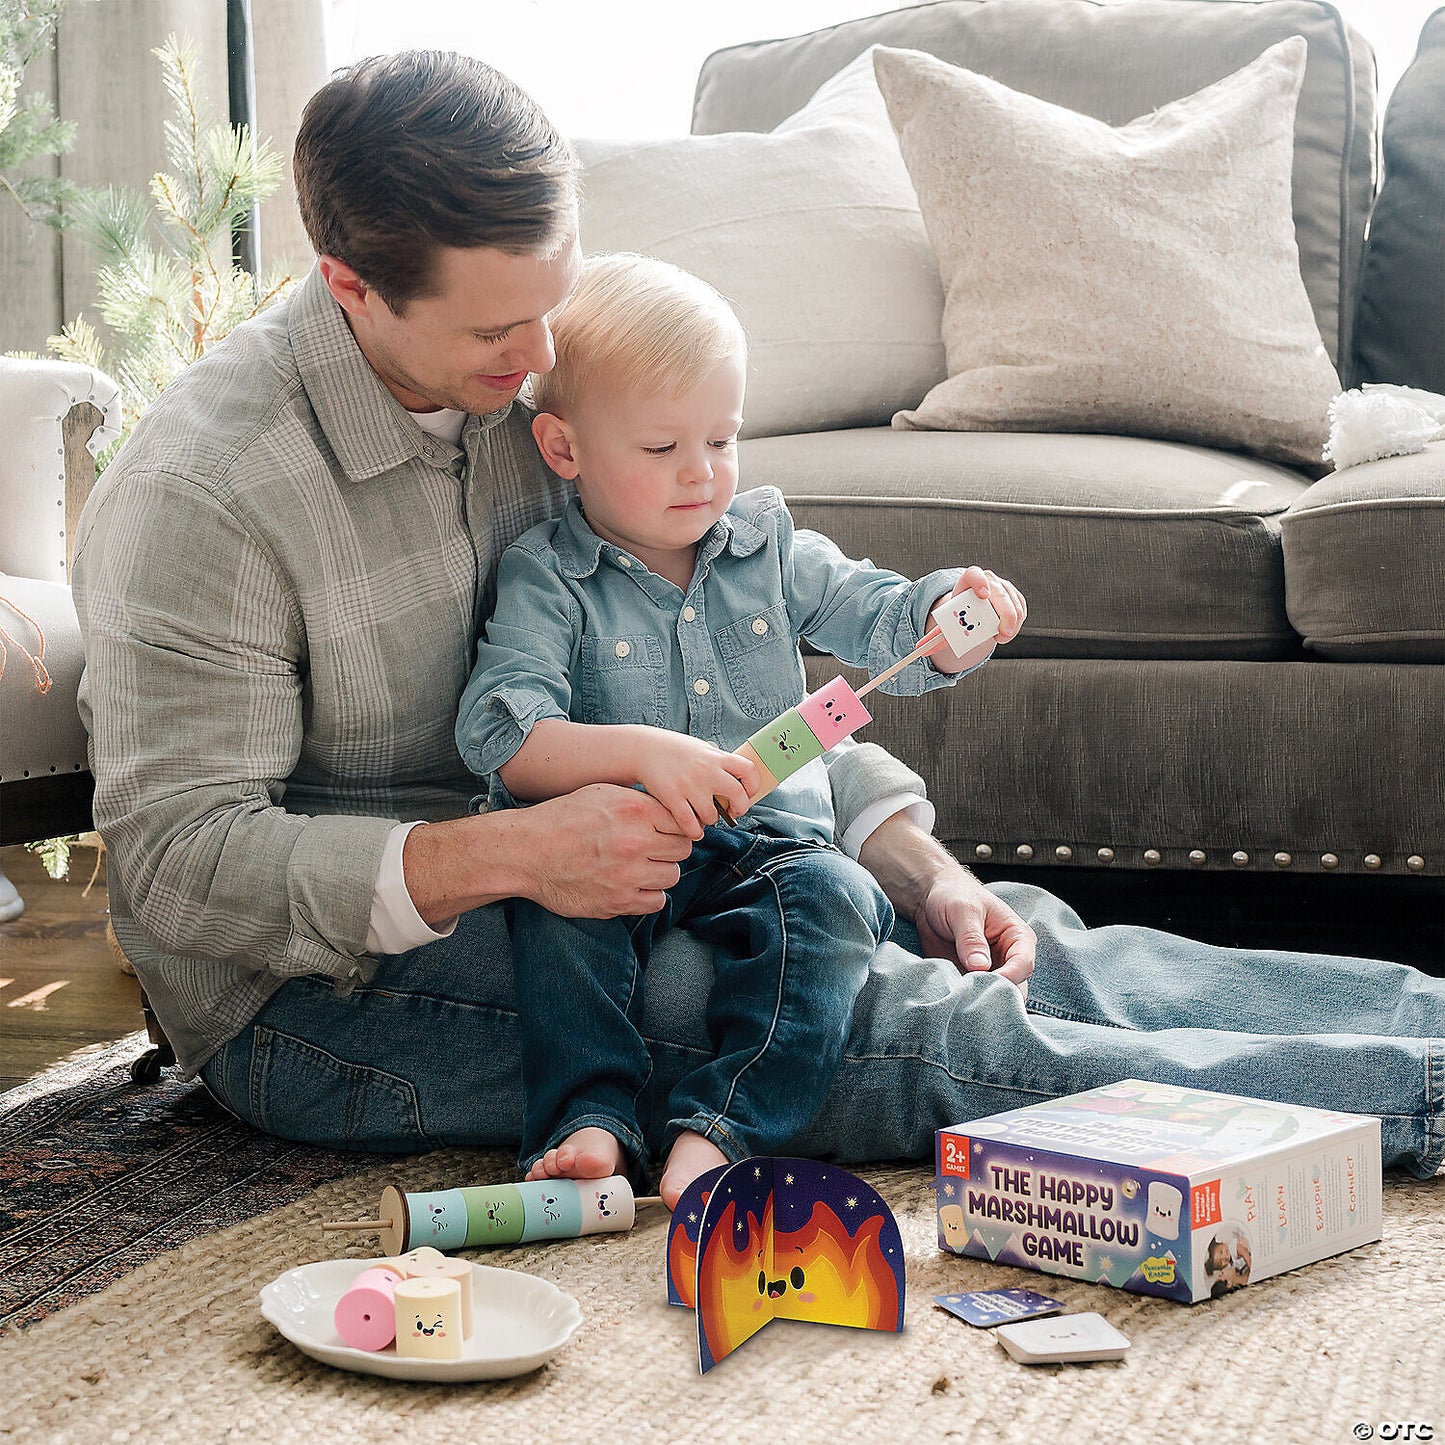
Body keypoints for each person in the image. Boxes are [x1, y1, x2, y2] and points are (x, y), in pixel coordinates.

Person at [72, 51, 1445, 1187]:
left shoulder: (537, 403)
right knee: (882, 1021)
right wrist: (506, 852)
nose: (544, 358)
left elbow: (726, 683)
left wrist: (920, 865)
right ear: (347, 284)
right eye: (502, 331)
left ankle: (1423, 1023)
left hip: (629, 869)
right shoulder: (208, 496)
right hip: (326, 992)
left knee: (986, 934)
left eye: (554, 304)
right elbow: (182, 867)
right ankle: (1421, 1098)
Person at [454, 254, 1026, 1204]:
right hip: (616, 837)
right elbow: (502, 735)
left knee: (838, 901)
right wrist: (640, 755)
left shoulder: (766, 547)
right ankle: (587, 1118)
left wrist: (946, 615)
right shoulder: (547, 575)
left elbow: (878, 616)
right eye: (661, 448)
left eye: (722, 438)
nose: (700, 472)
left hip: (767, 840)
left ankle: (722, 1128)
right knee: (556, 919)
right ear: (563, 450)